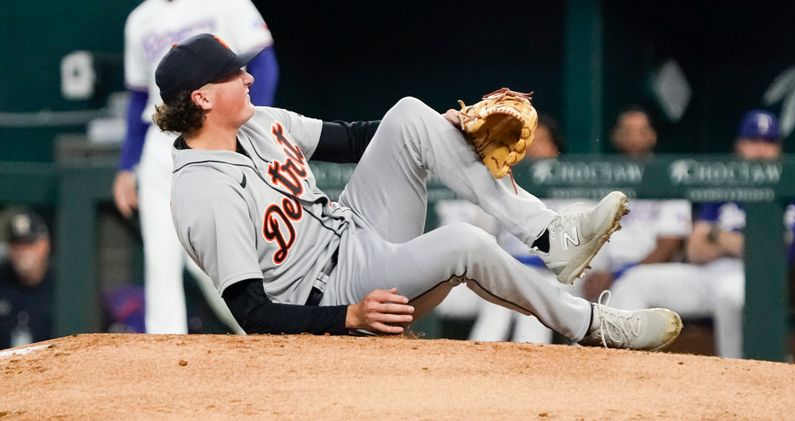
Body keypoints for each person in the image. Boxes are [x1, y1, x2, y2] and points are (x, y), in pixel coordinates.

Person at [148, 33, 683, 351]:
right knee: (463, 244)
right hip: (329, 297)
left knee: (407, 114)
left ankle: (552, 235)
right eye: (231, 74)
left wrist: (438, 127)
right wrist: (349, 317)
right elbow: (252, 313)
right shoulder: (203, 192)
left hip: (354, 230)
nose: (246, 77)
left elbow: (357, 139)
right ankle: (593, 325)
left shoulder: (259, 121)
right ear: (201, 97)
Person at [111, 0, 280, 334]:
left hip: (214, 133)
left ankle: (265, 333)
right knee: (161, 254)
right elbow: (138, 99)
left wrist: (252, 122)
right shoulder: (140, 20)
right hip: (160, 142)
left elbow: (264, 63)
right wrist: (125, 166)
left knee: (220, 255)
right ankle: (164, 353)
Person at [611, 109, 790, 358]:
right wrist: (741, 243)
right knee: (634, 281)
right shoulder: (725, 187)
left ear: (779, 149)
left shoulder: (791, 193)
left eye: (768, 143)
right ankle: (619, 368)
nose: (760, 150)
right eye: (752, 142)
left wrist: (718, 237)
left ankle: (736, 375)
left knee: (731, 295)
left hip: (751, 279)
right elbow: (695, 250)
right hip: (705, 274)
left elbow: (773, 254)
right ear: (739, 146)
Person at [434, 116, 573, 343]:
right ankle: (483, 358)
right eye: (526, 142)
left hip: (549, 276)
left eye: (542, 142)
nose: (532, 149)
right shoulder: (501, 187)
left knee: (528, 291)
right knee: (502, 292)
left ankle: (529, 360)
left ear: (555, 149)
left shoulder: (571, 193)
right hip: (503, 271)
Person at [579, 108, 691, 303]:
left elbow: (668, 246)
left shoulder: (668, 179)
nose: (634, 138)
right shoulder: (600, 180)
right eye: (627, 131)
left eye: (642, 131)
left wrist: (616, 275)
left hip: (650, 271)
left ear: (653, 136)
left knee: (631, 288)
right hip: (603, 270)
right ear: (615, 136)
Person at [0, 208, 54, 349]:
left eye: (28, 244)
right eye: (17, 245)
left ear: (44, 245)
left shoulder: (62, 285)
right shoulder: (3, 282)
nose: (22, 252)